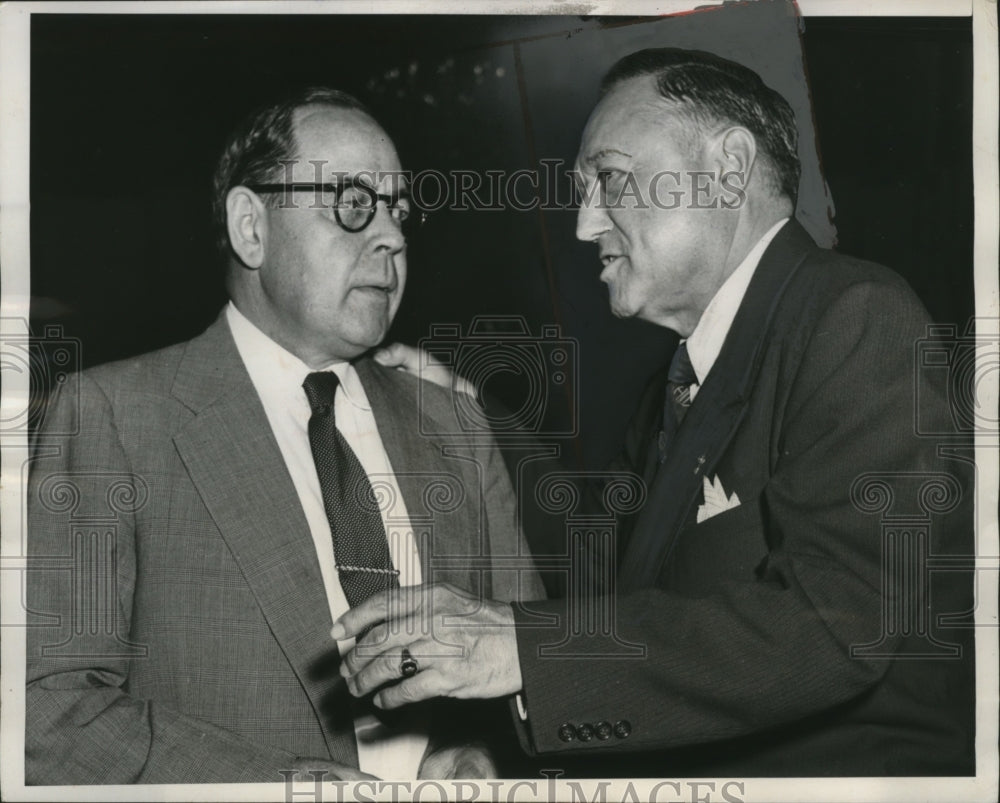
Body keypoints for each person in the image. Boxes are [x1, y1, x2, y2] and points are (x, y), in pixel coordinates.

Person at [334, 49, 975, 776]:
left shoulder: (854, 317)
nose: (583, 225)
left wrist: (521, 647)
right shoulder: (674, 385)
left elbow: (836, 624)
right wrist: (467, 408)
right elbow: (601, 572)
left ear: (730, 168)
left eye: (608, 177)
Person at [25, 86, 544, 784]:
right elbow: (50, 712)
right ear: (251, 226)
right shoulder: (114, 416)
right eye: (354, 204)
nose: (390, 234)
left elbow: (537, 670)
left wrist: (483, 754)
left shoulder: (456, 423)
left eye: (397, 210)